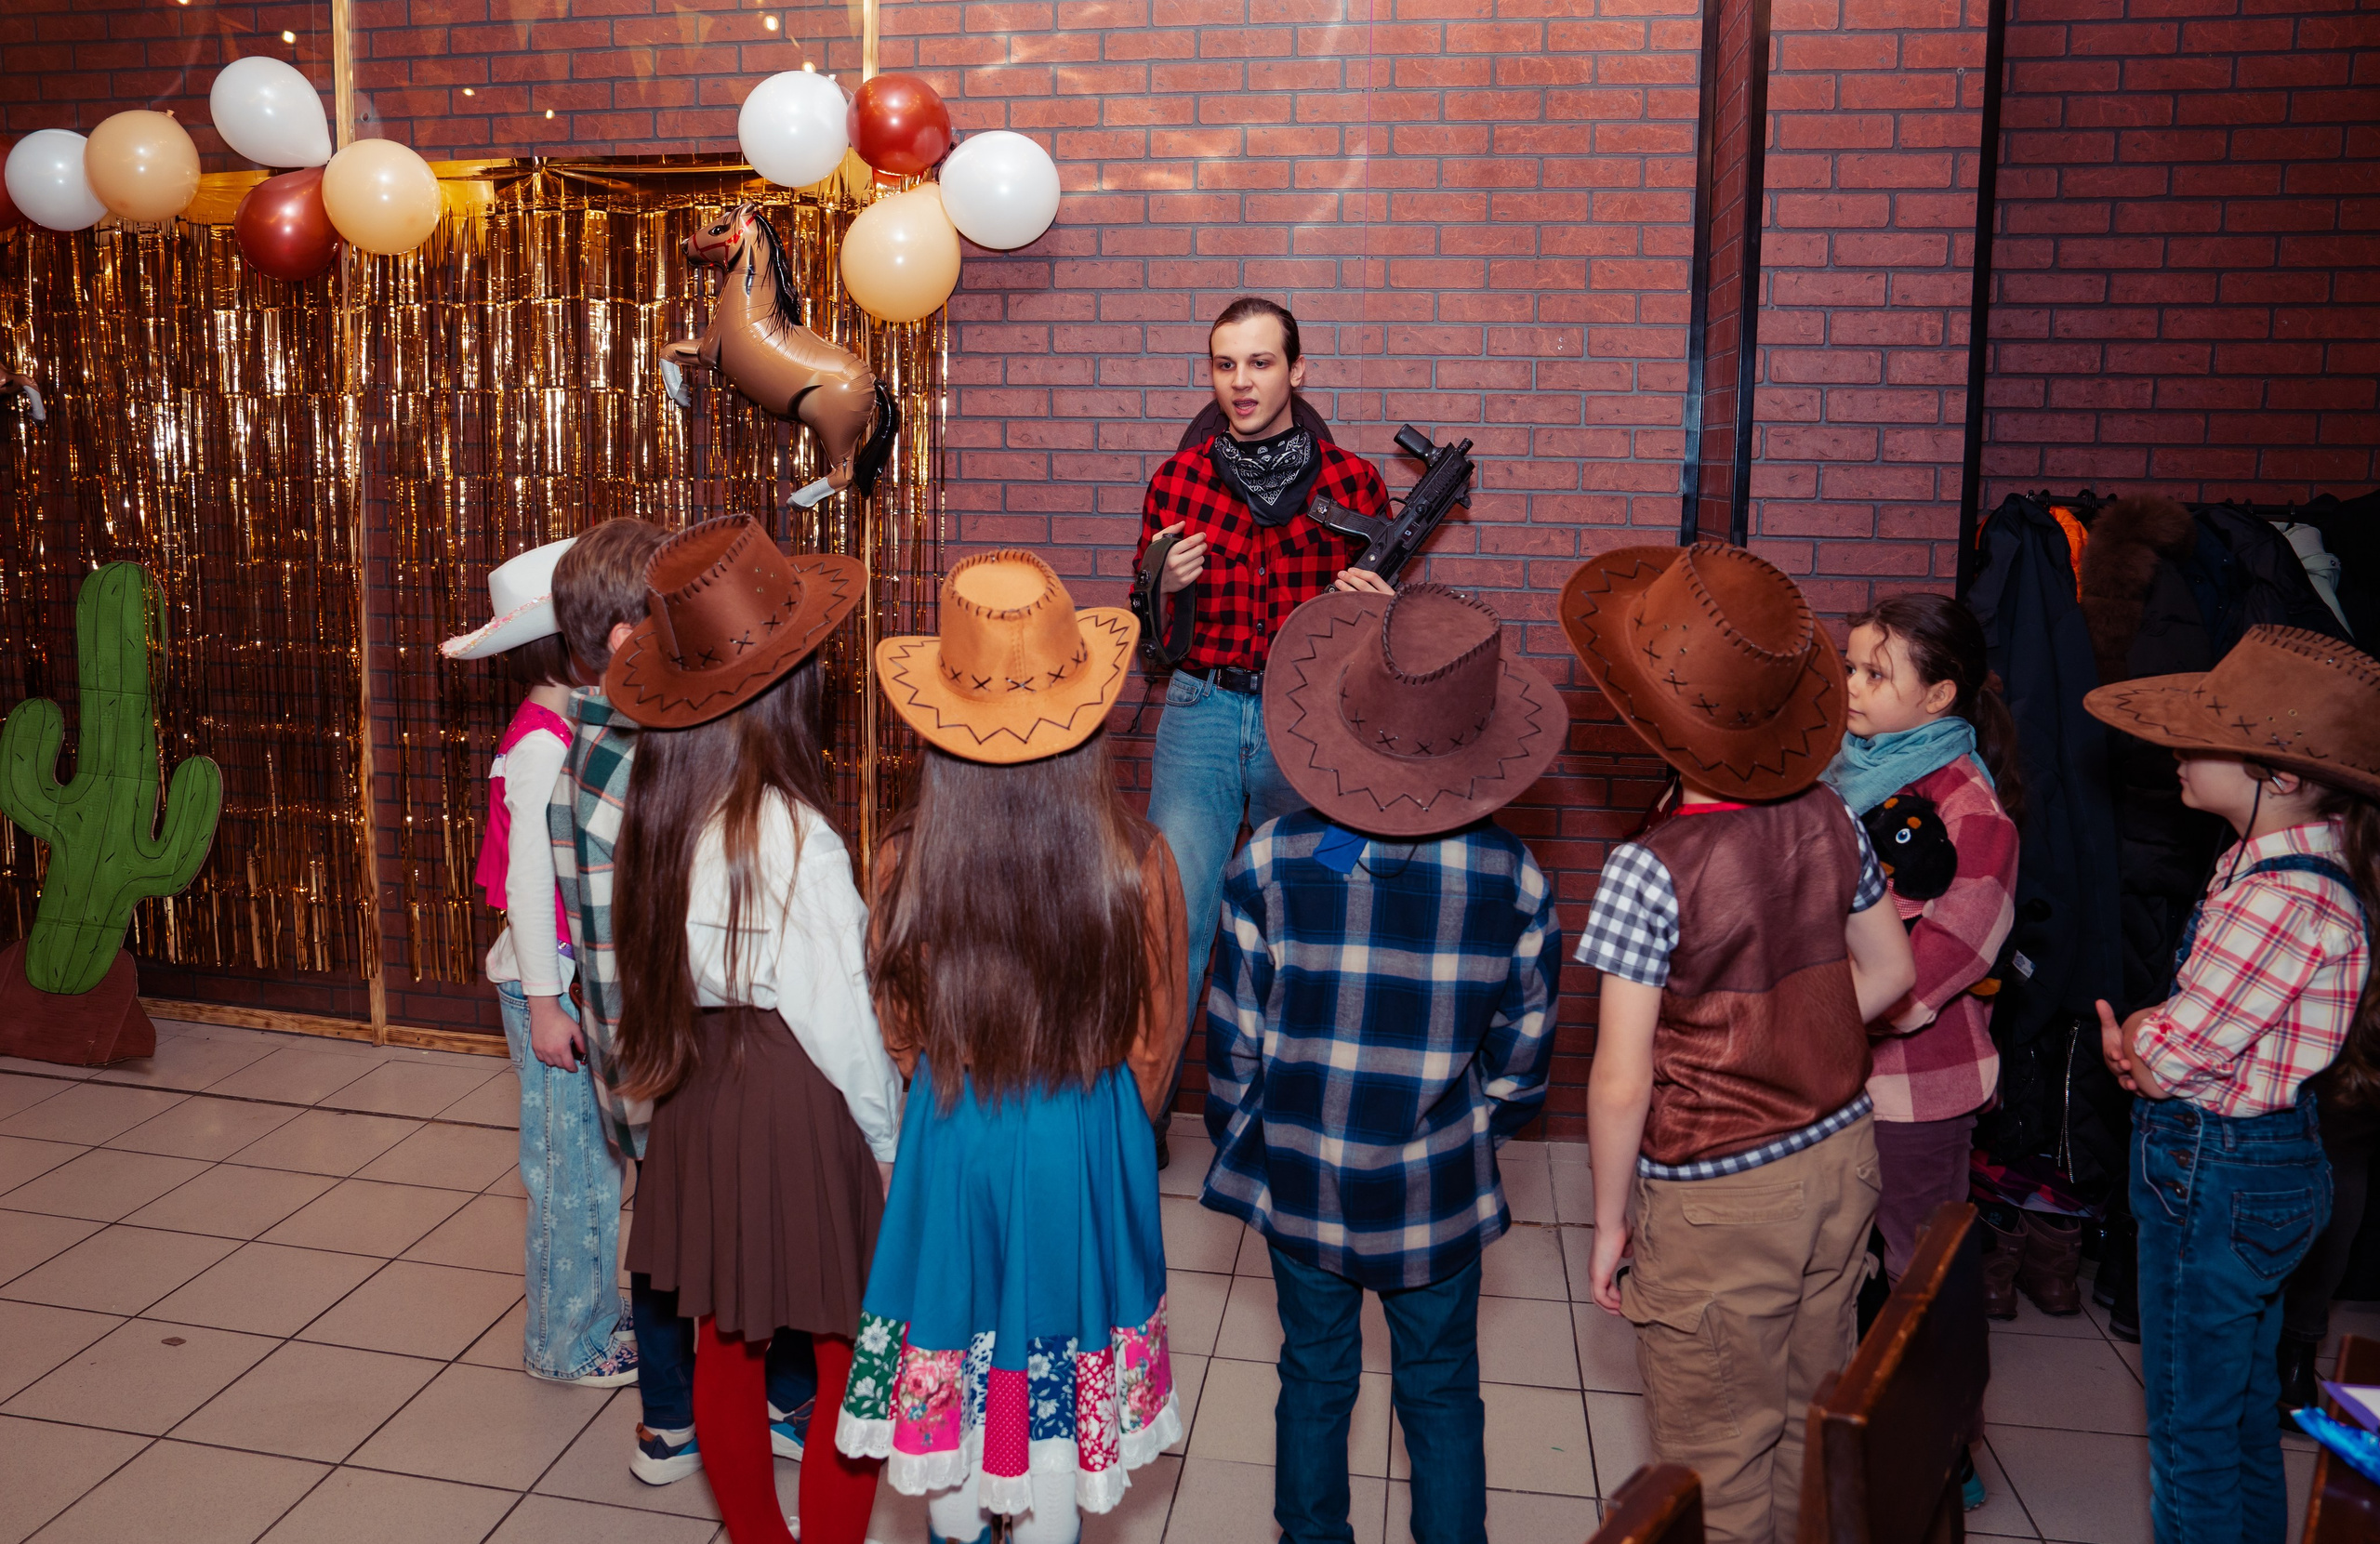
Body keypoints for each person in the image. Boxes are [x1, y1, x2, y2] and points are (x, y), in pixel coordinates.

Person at [1200, 583, 1568, 1544]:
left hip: (1301, 1171)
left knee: (1314, 1372)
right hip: (1435, 1186)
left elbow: (1234, 1035)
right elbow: (1525, 1055)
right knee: (1441, 1387)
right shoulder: (1515, 876)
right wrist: (1471, 1123)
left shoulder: (1270, 858)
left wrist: (1252, 1128)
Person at [1567, 542, 1916, 1544]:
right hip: (1841, 1155)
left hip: (1718, 1193)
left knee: (1715, 1475)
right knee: (1815, 1424)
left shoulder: (1647, 867)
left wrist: (1605, 1224)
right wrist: (1793, 1038)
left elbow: (1622, 1078)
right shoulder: (1832, 815)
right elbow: (1890, 974)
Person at [837, 550, 1188, 1544]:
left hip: (957, 1134)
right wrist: (1103, 1121)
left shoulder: (906, 853)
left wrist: (962, 1087)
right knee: (1058, 1396)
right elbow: (1154, 1041)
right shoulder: (1137, 859)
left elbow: (898, 1025)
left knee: (954, 1350)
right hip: (1083, 1141)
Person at [605, 515, 898, 1544]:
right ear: (788, 690)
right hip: (793, 1093)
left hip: (696, 1084)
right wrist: (887, 1134)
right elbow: (838, 1018)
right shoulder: (797, 832)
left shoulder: (657, 808)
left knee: (720, 1340)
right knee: (850, 1351)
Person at [2087, 625, 2380, 1544]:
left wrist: (2135, 1034)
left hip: (2219, 1173)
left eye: (2200, 737)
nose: (2176, 751)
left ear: (2278, 774)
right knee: (2243, 1408)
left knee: (2191, 1433)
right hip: (2260, 1160)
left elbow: (2172, 1055)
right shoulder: (2273, 866)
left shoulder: (2280, 895)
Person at [546, 517, 818, 1485]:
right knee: (710, 1236)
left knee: (675, 1233)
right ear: (627, 642)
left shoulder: (586, 751)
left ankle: (707, 1411)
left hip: (636, 1051)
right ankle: (732, 1407)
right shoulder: (643, 767)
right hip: (674, 1054)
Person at [1136, 295, 1394, 1161]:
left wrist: (1377, 612)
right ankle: (1143, 1118)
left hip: (1308, 723)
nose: (1240, 382)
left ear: (1297, 369)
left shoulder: (1355, 483)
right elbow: (1151, 633)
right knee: (1173, 916)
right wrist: (1161, 585)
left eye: (1259, 362)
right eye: (1224, 364)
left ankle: (1299, 1118)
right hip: (1201, 712)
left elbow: (1376, 646)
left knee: (1314, 910)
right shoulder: (1177, 480)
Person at [442, 535, 639, 1389]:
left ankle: (590, 1304)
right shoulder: (543, 742)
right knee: (571, 1169)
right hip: (549, 978)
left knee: (596, 1159)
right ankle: (568, 1340)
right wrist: (548, 1001)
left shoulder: (573, 724)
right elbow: (528, 885)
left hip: (574, 971)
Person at [1822, 595, 2026, 1287]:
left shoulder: (1969, 802)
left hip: (1917, 1080)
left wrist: (1855, 1005)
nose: (1851, 686)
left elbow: (1963, 940)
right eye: (1851, 668)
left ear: (1939, 694)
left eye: (1875, 675)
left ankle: (1937, 1398)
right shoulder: (1844, 769)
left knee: (1920, 1268)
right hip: (1832, 1070)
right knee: (1841, 1259)